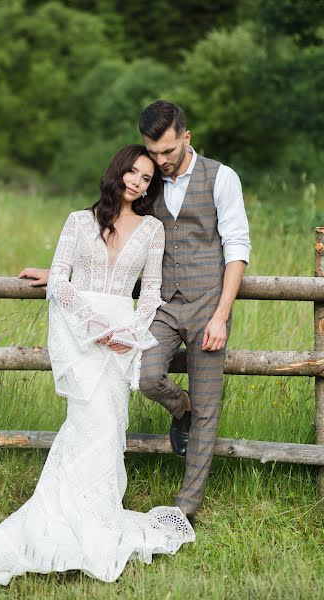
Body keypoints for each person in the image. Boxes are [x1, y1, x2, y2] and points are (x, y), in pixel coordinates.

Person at [0, 144, 194, 586]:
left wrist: (128, 334)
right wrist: (95, 327)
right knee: (85, 423)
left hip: (122, 340)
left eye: (146, 178)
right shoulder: (79, 221)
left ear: (151, 187)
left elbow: (150, 291)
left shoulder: (152, 230)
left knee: (110, 429)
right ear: (117, 172)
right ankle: (59, 523)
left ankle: (97, 518)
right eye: (132, 172)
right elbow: (60, 278)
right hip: (82, 334)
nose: (137, 182)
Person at [138, 101, 251, 526]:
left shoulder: (221, 177)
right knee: (147, 375)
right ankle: (179, 408)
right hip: (165, 303)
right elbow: (114, 223)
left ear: (186, 137)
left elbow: (237, 246)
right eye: (154, 152)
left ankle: (185, 507)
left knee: (209, 406)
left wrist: (221, 315)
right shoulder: (149, 179)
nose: (162, 161)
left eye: (168, 150)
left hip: (208, 303)